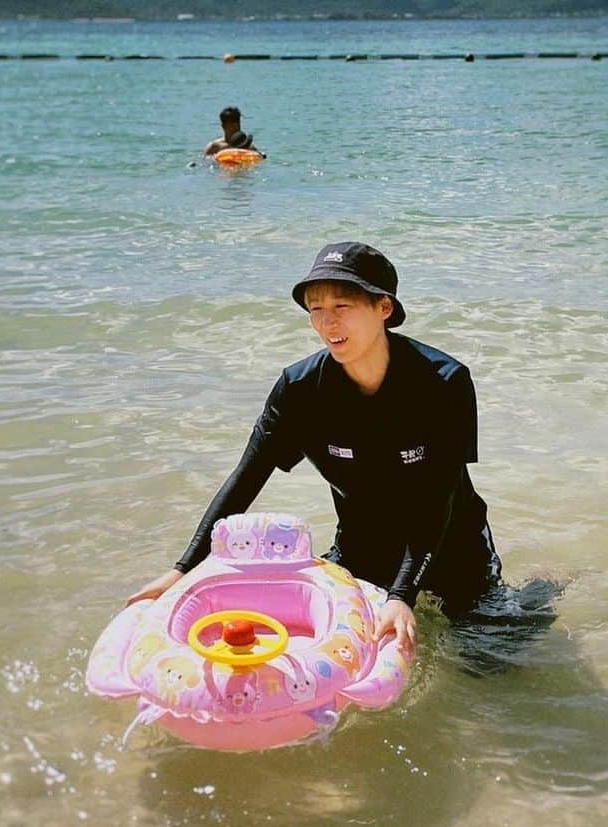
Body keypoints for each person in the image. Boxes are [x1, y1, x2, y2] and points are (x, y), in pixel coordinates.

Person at [126, 241, 508, 660]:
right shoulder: (301, 391)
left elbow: (439, 496)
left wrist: (403, 594)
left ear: (384, 307)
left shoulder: (443, 383)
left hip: (453, 549)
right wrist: (182, 570)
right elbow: (246, 480)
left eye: (341, 306)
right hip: (364, 549)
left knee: (486, 671)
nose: (327, 323)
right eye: (315, 309)